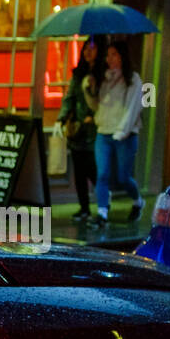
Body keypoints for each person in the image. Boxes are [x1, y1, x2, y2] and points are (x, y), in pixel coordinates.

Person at [91, 41, 146, 225]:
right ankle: (102, 212)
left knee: (123, 177)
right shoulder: (105, 79)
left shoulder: (133, 79)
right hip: (104, 133)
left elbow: (133, 108)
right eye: (108, 55)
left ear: (122, 56)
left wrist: (121, 131)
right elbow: (97, 107)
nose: (110, 59)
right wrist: (90, 89)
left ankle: (138, 201)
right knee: (103, 174)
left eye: (114, 54)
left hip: (125, 135)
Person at [57, 36, 104, 220]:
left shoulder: (103, 76)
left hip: (95, 130)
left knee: (93, 169)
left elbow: (105, 102)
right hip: (77, 129)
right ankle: (84, 207)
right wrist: (62, 118)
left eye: (92, 49)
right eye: (86, 49)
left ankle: (102, 205)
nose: (88, 52)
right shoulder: (79, 75)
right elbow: (70, 98)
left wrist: (94, 117)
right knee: (79, 171)